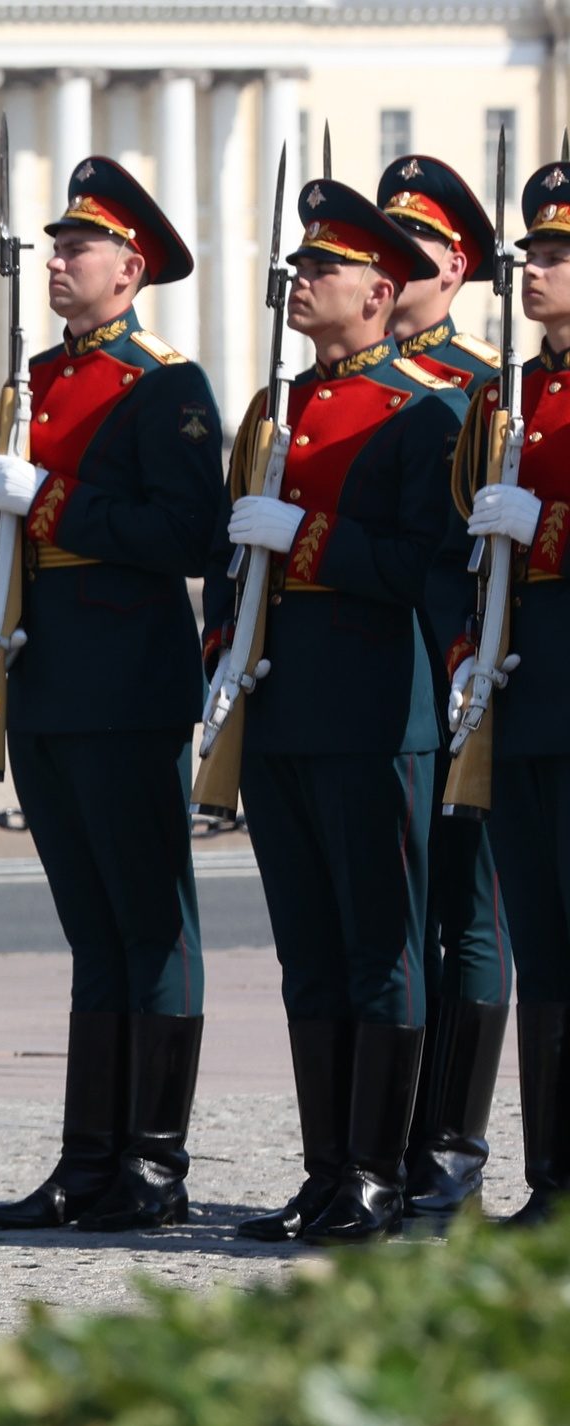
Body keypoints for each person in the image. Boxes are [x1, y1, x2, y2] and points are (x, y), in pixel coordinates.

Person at [215, 178, 468, 1246]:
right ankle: (325, 1171)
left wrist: (302, 540)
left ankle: (376, 1174)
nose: (300, 282)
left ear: (380, 291)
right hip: (283, 706)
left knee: (382, 949)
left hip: (375, 707)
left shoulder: (426, 411)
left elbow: (430, 566)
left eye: (322, 270)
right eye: (298, 267)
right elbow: (239, 565)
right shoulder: (276, 409)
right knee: (307, 950)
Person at [0, 158, 225, 1234]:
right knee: (92, 928)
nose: (55, 263)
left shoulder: (164, 386)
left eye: (75, 249)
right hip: (48, 674)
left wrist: (54, 503)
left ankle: (153, 1161)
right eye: (53, 247)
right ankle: (86, 1158)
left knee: (148, 923)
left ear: (129, 270)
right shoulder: (30, 380)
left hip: (127, 676)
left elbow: (187, 535)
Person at [376, 154, 513, 1226]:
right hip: (396, 678)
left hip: (471, 669)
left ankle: (453, 1152)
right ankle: (395, 1142)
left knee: (466, 916)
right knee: (402, 921)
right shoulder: (367, 383)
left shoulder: (478, 387)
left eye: (409, 246)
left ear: (454, 265)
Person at [448, 156, 570, 1225]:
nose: (535, 267)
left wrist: (551, 532)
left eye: (558, 253)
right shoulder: (504, 393)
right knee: (544, 946)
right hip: (523, 698)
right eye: (530, 251)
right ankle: (552, 1184)